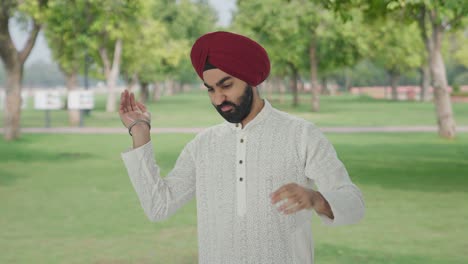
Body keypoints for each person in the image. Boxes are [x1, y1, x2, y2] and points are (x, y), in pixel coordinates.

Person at [120, 31, 365, 264]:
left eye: (226, 86)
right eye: (211, 90)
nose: (218, 99)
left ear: (250, 80)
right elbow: (158, 206)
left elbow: (353, 203)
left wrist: (316, 198)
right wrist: (140, 132)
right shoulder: (203, 146)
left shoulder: (300, 135)